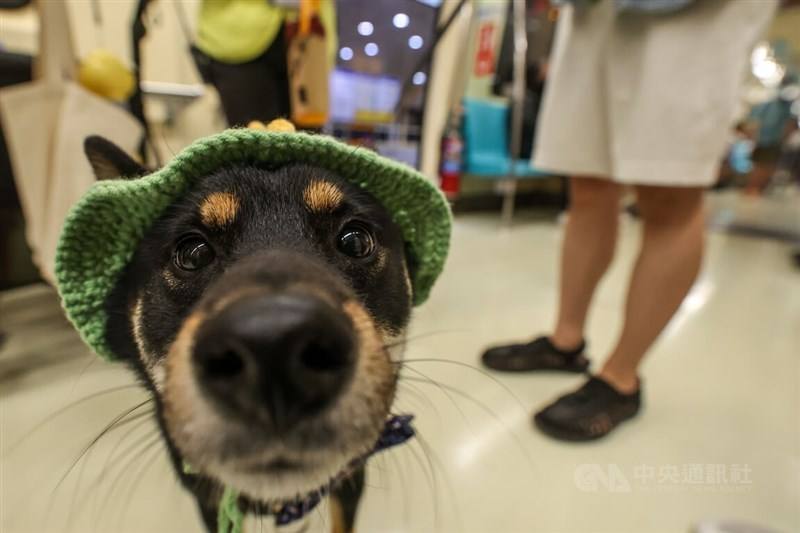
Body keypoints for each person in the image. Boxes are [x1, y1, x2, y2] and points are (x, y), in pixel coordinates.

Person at [481, 0, 778, 441]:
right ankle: (566, 342)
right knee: (588, 185)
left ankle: (622, 377)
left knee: (670, 195)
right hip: (594, 20)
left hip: (693, 22)